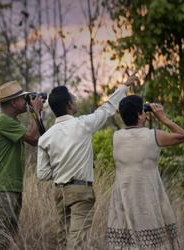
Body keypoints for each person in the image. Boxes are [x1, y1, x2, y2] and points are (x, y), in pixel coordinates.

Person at [36, 75, 139, 249]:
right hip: (81, 192)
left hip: (59, 193)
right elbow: (107, 108)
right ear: (69, 105)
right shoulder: (83, 125)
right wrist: (124, 86)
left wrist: (62, 168)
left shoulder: (45, 137)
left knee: (63, 241)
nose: (75, 99)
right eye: (73, 98)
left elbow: (42, 174)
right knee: (76, 243)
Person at [105, 95, 184, 249]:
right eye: (143, 110)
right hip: (147, 197)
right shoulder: (153, 135)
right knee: (152, 241)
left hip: (124, 197)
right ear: (139, 114)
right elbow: (183, 136)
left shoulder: (116, 137)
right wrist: (163, 118)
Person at [0, 80, 43, 250]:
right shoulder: (1, 121)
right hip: (1, 188)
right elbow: (33, 138)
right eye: (23, 99)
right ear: (13, 102)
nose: (26, 101)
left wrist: (35, 112)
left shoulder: (12, 122)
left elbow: (34, 142)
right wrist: (35, 110)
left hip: (11, 187)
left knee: (9, 240)